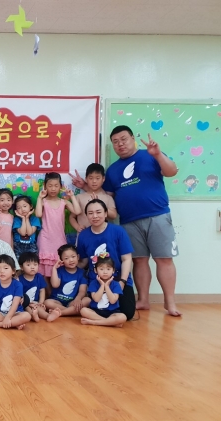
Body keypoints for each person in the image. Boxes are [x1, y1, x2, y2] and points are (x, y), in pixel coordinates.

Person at [71, 126, 180, 316]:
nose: (120, 144)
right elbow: (105, 198)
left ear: (132, 138)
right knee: (139, 260)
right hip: (128, 221)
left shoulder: (150, 155)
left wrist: (158, 154)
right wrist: (86, 188)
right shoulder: (113, 170)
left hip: (157, 214)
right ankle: (143, 300)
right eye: (115, 141)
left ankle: (170, 303)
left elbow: (172, 171)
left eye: (124, 139)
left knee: (164, 259)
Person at [76, 199, 135, 321]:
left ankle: (98, 320)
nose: (95, 216)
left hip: (118, 279)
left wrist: (122, 282)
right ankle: (107, 321)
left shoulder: (118, 231)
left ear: (106, 213)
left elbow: (127, 259)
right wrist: (66, 264)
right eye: (90, 213)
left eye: (98, 212)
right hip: (96, 281)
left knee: (128, 313)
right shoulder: (83, 235)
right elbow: (84, 262)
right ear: (86, 215)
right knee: (92, 308)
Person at [35, 172, 81, 279]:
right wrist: (39, 198)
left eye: (56, 185)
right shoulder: (43, 202)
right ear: (45, 186)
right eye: (50, 185)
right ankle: (47, 290)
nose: (53, 188)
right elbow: (38, 214)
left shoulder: (64, 202)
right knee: (45, 272)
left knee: (60, 268)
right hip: (45, 240)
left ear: (61, 186)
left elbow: (77, 211)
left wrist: (72, 196)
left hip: (60, 239)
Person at [0, 254, 31, 330]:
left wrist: (8, 317)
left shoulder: (18, 285)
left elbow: (15, 304)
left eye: (6, 268)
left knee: (27, 316)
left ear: (13, 271)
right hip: (1, 313)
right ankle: (14, 324)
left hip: (16, 313)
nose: (2, 271)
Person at [68, 163, 117, 234]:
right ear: (86, 179)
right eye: (91, 178)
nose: (94, 181)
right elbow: (72, 217)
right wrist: (77, 227)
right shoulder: (79, 197)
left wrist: (100, 204)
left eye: (97, 178)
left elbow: (114, 215)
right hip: (84, 236)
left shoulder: (108, 198)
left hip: (103, 236)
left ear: (103, 179)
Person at [44, 244, 88, 321]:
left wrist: (77, 299)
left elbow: (82, 291)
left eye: (73, 257)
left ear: (78, 257)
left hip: (72, 302)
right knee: (47, 302)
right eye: (66, 258)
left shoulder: (81, 273)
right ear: (61, 260)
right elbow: (55, 285)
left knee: (87, 300)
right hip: (57, 302)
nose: (71, 260)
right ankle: (72, 312)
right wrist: (54, 268)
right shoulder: (59, 270)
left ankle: (61, 312)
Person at [80, 255, 127, 327]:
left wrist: (107, 286)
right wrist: (102, 285)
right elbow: (96, 299)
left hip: (112, 312)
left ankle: (95, 322)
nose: (105, 272)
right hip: (96, 311)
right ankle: (109, 322)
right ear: (96, 270)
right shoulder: (93, 283)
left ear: (113, 270)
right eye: (101, 269)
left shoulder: (116, 284)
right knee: (83, 310)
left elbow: (113, 301)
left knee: (123, 317)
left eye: (108, 269)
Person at [18, 252, 48, 323]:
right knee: (27, 308)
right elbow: (19, 295)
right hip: (25, 303)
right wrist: (27, 303)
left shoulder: (39, 277)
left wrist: (40, 302)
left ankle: (48, 316)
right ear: (21, 267)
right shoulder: (19, 279)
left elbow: (42, 290)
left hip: (35, 302)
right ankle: (33, 316)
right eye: (28, 265)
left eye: (35, 264)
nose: (32, 267)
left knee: (40, 309)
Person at [12, 195, 41, 261]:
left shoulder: (35, 219)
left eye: (24, 206)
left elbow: (29, 232)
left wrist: (27, 218)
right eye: (19, 208)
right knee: (18, 265)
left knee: (31, 264)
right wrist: (23, 218)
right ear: (16, 210)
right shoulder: (16, 220)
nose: (22, 209)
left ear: (31, 206)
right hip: (18, 246)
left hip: (31, 246)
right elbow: (22, 233)